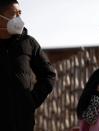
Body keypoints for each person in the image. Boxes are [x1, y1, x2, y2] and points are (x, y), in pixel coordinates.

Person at [0, 0, 56, 131]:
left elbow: (49, 74)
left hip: (23, 122)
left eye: (20, 13)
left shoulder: (29, 43)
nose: (20, 19)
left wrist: (31, 101)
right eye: (15, 14)